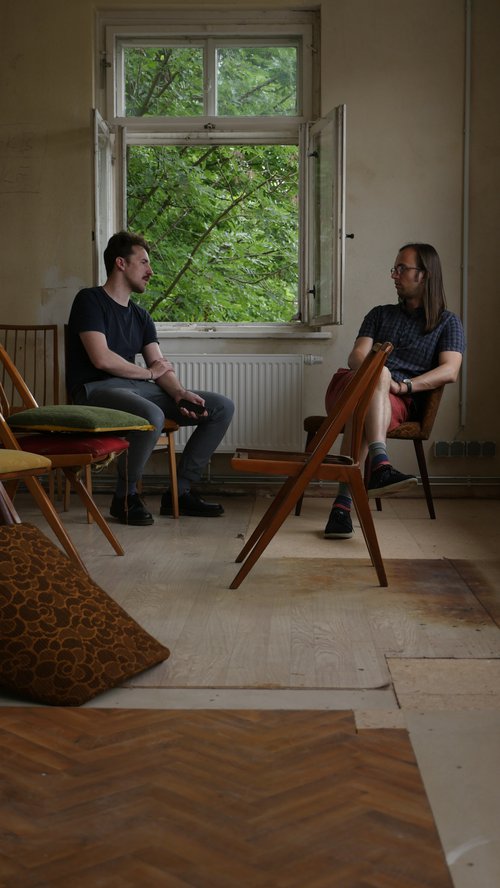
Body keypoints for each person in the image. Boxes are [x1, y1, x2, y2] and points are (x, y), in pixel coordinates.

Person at [66, 231, 234, 526]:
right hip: (93, 391)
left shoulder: (141, 316)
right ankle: (125, 497)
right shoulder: (89, 300)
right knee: (151, 414)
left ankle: (180, 492)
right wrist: (149, 374)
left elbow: (159, 364)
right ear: (120, 263)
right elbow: (101, 358)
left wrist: (179, 393)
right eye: (143, 262)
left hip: (133, 389)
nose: (150, 271)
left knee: (220, 407)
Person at [323, 242, 465, 540]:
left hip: (394, 400)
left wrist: (403, 385)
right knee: (377, 375)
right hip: (350, 385)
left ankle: (341, 508)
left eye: (402, 269)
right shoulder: (380, 314)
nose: (394, 275)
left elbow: (450, 370)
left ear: (424, 275)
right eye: (395, 268)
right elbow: (357, 356)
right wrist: (379, 373)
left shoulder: (448, 323)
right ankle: (380, 465)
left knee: (362, 409)